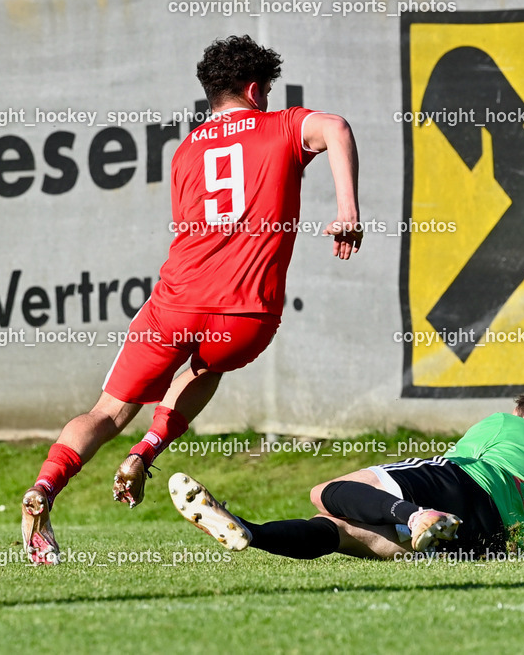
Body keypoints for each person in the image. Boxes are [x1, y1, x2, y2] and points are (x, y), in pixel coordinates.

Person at [21, 35, 362, 565]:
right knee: (205, 370)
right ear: (254, 89)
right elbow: (336, 127)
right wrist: (347, 210)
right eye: (266, 90)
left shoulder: (186, 152)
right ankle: (145, 452)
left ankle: (45, 487)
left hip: (176, 303)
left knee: (108, 412)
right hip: (245, 314)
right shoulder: (281, 125)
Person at [170, 390, 524, 560]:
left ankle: (412, 515)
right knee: (335, 530)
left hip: (465, 486)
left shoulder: (511, 424)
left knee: (327, 492)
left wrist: (413, 507)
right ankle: (248, 530)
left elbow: (456, 462)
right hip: (489, 545)